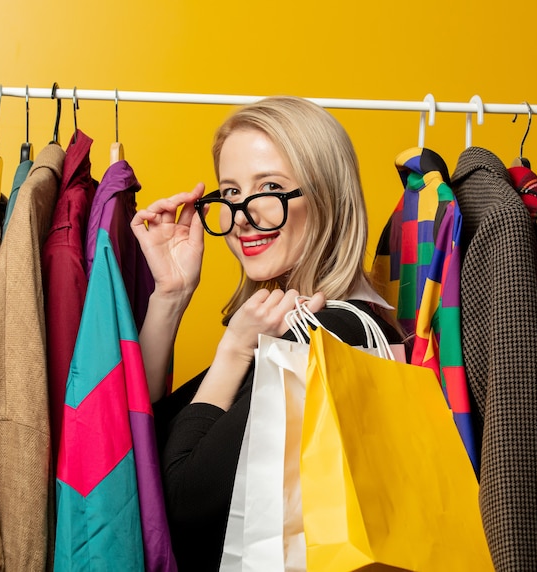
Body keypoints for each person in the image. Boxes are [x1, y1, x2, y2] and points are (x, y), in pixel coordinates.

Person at [131, 95, 403, 571]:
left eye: (270, 186)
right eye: (230, 193)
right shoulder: (295, 324)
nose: (242, 216)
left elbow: (177, 502)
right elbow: (145, 436)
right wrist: (171, 296)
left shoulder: (328, 332)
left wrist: (234, 349)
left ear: (326, 196)